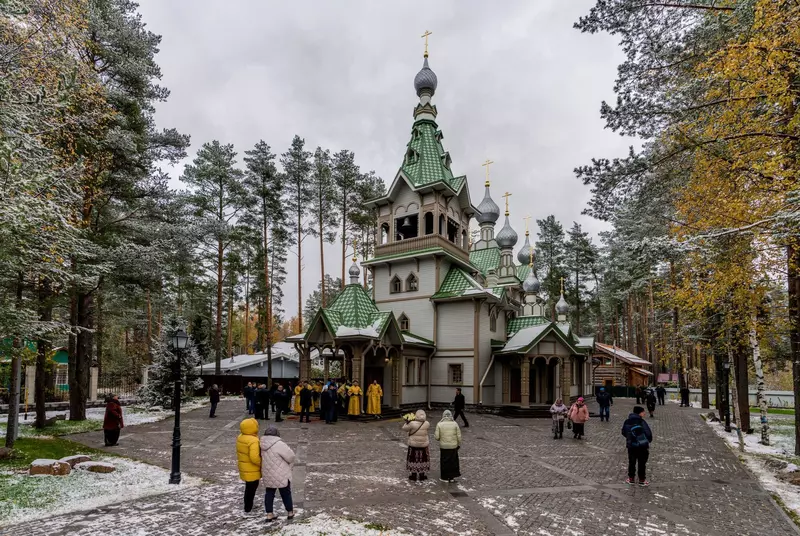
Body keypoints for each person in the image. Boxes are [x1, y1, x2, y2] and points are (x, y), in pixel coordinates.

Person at [260, 425, 295, 521]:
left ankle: (269, 514)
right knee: (286, 493)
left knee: (269, 493)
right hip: (281, 473)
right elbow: (291, 456)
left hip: (268, 473)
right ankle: (290, 512)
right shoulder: (279, 444)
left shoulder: (261, 444)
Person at [621, 405, 653, 486]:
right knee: (642, 463)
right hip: (642, 446)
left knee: (632, 462)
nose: (644, 413)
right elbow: (648, 434)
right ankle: (642, 480)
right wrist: (647, 440)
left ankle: (631, 479)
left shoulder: (627, 421)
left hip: (631, 445)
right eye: (643, 412)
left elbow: (623, 432)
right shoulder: (642, 422)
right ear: (639, 413)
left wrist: (630, 438)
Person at [236, 417, 261, 513]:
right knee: (251, 489)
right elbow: (254, 457)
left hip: (244, 467)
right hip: (252, 469)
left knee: (249, 488)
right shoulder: (253, 440)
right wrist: (261, 463)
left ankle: (248, 506)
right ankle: (248, 508)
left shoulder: (241, 437)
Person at [402, 409, 430, 481]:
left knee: (413, 459)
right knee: (423, 459)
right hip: (423, 445)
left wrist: (407, 422)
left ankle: (413, 475)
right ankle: (422, 475)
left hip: (413, 445)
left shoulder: (412, 424)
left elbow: (404, 428)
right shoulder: (427, 423)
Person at [434, 410, 462, 482]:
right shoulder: (455, 424)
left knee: (444, 461)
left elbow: (437, 437)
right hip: (453, 446)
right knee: (453, 461)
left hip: (444, 446)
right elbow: (459, 436)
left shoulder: (439, 424)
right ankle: (451, 477)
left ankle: (444, 477)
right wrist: (458, 443)